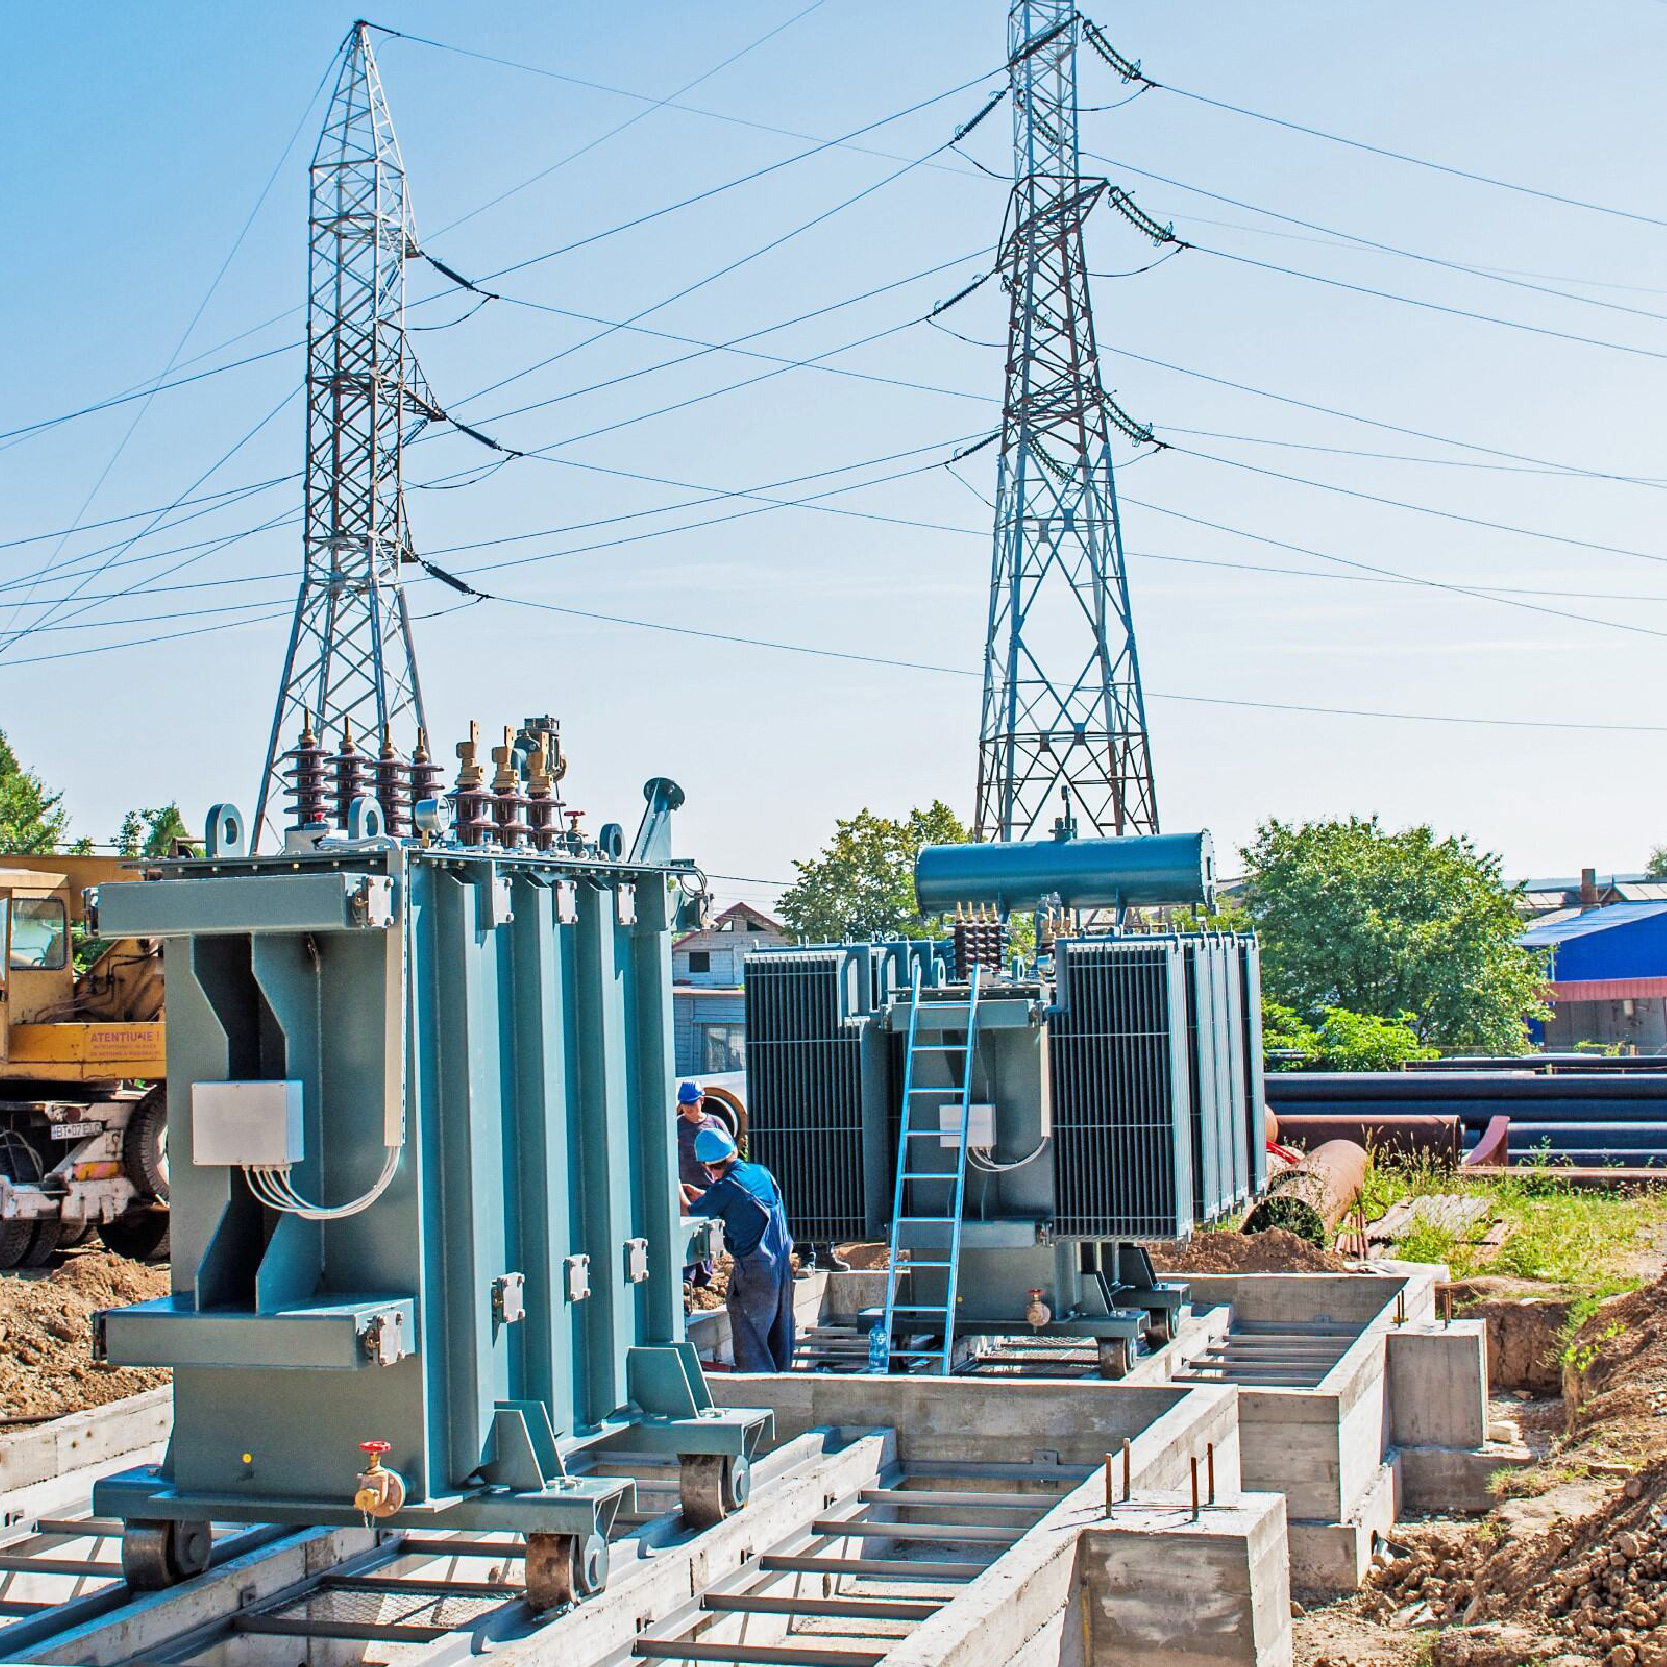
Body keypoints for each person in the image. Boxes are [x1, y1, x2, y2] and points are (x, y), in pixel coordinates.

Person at [685, 1125, 795, 1372]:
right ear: (732, 1151)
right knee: (780, 1332)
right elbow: (737, 1201)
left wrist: (677, 1191)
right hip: (782, 1264)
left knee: (751, 1334)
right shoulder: (760, 1172)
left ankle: (756, 1387)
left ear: (707, 1166)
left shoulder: (726, 1188)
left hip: (757, 1271)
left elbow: (690, 1213)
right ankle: (783, 1382)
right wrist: (705, 1195)